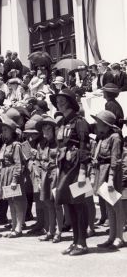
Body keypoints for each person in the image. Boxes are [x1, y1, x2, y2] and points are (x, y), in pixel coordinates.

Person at [50, 89, 91, 256]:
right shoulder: (61, 123)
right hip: (65, 168)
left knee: (79, 204)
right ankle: (74, 241)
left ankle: (82, 243)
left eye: (63, 100)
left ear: (71, 102)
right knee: (68, 204)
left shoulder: (80, 122)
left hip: (76, 168)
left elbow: (84, 147)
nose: (59, 102)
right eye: (58, 100)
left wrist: (83, 171)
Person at [90, 111, 125, 249]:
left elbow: (115, 160)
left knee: (116, 206)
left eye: (98, 121)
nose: (96, 123)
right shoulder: (102, 137)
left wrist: (111, 179)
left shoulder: (115, 137)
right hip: (101, 172)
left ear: (105, 124)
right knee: (109, 206)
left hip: (111, 174)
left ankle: (119, 237)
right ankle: (111, 236)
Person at [0, 113, 27, 238]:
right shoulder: (5, 145)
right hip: (5, 174)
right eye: (2, 130)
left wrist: (15, 179)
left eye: (5, 130)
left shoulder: (16, 145)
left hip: (13, 175)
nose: (3, 132)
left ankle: (19, 228)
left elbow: (18, 164)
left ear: (12, 131)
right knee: (10, 201)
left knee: (17, 202)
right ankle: (13, 225)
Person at [36, 116, 64, 243]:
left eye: (48, 129)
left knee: (57, 204)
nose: (46, 132)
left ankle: (59, 231)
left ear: (53, 130)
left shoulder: (59, 143)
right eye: (44, 129)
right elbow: (38, 161)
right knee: (47, 203)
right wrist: (38, 177)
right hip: (44, 175)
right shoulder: (41, 144)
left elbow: (62, 161)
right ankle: (50, 231)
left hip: (55, 174)